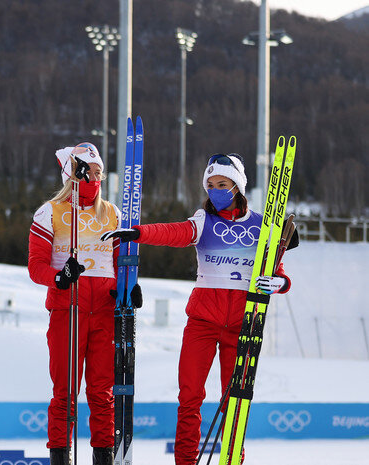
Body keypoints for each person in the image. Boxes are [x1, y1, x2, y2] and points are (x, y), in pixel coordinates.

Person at [101, 153, 294, 465]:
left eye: (223, 184)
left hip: (244, 325)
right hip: (202, 323)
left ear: (238, 186)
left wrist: (278, 283)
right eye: (211, 185)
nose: (216, 190)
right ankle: (186, 461)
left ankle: (233, 459)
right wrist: (139, 232)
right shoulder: (204, 222)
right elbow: (175, 232)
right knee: (189, 397)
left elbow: (280, 273)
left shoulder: (263, 226)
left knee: (236, 402)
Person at [28, 143, 139, 465]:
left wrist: (129, 290)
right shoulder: (50, 211)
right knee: (65, 392)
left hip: (105, 311)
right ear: (71, 174)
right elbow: (35, 266)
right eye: (87, 170)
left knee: (102, 394)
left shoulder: (112, 213)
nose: (94, 176)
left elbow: (122, 264)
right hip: (69, 310)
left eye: (98, 171)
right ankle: (60, 456)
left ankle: (103, 456)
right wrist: (60, 277)